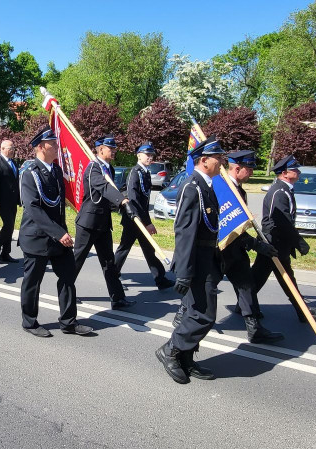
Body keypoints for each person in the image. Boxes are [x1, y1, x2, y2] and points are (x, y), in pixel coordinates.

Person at [176, 150, 284, 344]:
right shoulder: (222, 190)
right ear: (237, 168)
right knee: (204, 288)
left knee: (247, 286)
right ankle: (183, 316)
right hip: (220, 251)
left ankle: (254, 328)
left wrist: (256, 244)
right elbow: (220, 226)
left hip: (237, 251)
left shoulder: (238, 190)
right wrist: (256, 244)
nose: (251, 173)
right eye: (248, 169)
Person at [156, 136, 227, 385]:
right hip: (195, 263)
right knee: (203, 315)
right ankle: (171, 351)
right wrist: (184, 272)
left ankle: (185, 357)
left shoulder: (205, 186)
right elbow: (184, 232)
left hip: (206, 260)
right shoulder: (192, 186)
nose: (222, 161)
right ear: (204, 160)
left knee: (197, 313)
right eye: (218, 157)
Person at [18, 126, 93, 337]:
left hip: (59, 237)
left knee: (68, 277)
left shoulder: (57, 170)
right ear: (41, 147)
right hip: (37, 237)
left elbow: (59, 205)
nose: (57, 146)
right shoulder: (29, 173)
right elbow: (33, 208)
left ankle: (68, 322)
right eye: (53, 143)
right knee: (33, 282)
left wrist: (63, 232)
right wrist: (58, 233)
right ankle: (30, 322)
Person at [250, 155, 316, 323]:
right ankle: (303, 312)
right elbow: (281, 223)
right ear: (284, 173)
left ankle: (245, 306)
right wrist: (300, 243)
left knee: (263, 279)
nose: (298, 172)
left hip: (277, 243)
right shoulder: (278, 192)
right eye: (295, 170)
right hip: (273, 243)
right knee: (283, 279)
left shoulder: (284, 190)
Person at [73, 136, 133, 310]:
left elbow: (109, 194)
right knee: (77, 260)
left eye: (114, 148)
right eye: (110, 148)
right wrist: (121, 201)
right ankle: (67, 291)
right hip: (88, 222)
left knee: (109, 263)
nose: (113, 151)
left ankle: (118, 298)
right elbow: (104, 187)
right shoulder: (93, 168)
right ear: (100, 150)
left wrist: (122, 203)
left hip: (103, 223)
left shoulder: (109, 169)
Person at [114, 142, 174, 290]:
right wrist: (146, 222)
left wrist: (146, 221)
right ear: (138, 155)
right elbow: (133, 199)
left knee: (148, 249)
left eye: (151, 155)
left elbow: (145, 199)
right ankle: (112, 276)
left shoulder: (145, 172)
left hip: (140, 219)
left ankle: (160, 279)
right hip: (133, 219)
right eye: (147, 155)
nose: (150, 157)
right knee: (124, 249)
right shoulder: (135, 172)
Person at [0, 139, 20, 264]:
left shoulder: (13, 163)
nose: (12, 151)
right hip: (2, 201)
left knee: (11, 227)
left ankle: (6, 253)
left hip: (12, 201)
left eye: (13, 148)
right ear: (2, 149)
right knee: (8, 225)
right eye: (10, 148)